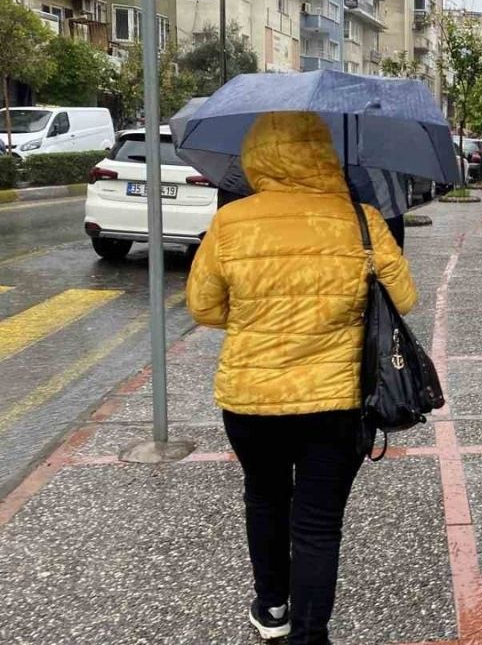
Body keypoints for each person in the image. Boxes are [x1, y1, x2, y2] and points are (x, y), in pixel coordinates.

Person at [187, 112, 417, 644]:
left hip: (250, 400)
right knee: (317, 523)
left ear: (255, 156)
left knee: (264, 497)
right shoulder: (361, 220)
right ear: (324, 153)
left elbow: (203, 307)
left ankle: (272, 609)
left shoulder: (232, 221)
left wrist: (253, 316)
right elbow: (404, 300)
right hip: (336, 403)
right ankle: (310, 635)